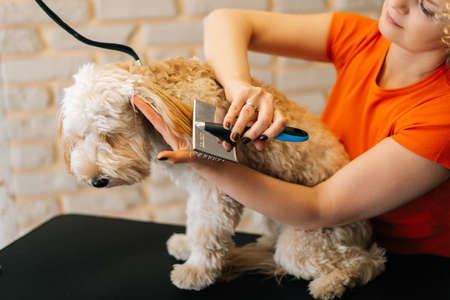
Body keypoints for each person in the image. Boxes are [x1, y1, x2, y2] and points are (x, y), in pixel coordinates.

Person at [134, 0, 450, 257]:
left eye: (427, 7)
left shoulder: (441, 117)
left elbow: (319, 207)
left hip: (405, 263)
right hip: (330, 239)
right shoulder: (364, 38)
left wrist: (206, 161)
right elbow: (225, 20)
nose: (398, 4)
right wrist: (238, 87)